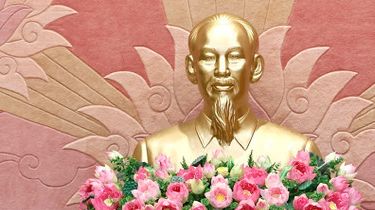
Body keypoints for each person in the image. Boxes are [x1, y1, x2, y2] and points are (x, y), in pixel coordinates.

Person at [132, 13, 320, 166]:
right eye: (208, 58)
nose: (221, 70)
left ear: (255, 67)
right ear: (191, 68)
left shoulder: (298, 153)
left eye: (235, 57)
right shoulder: (152, 153)